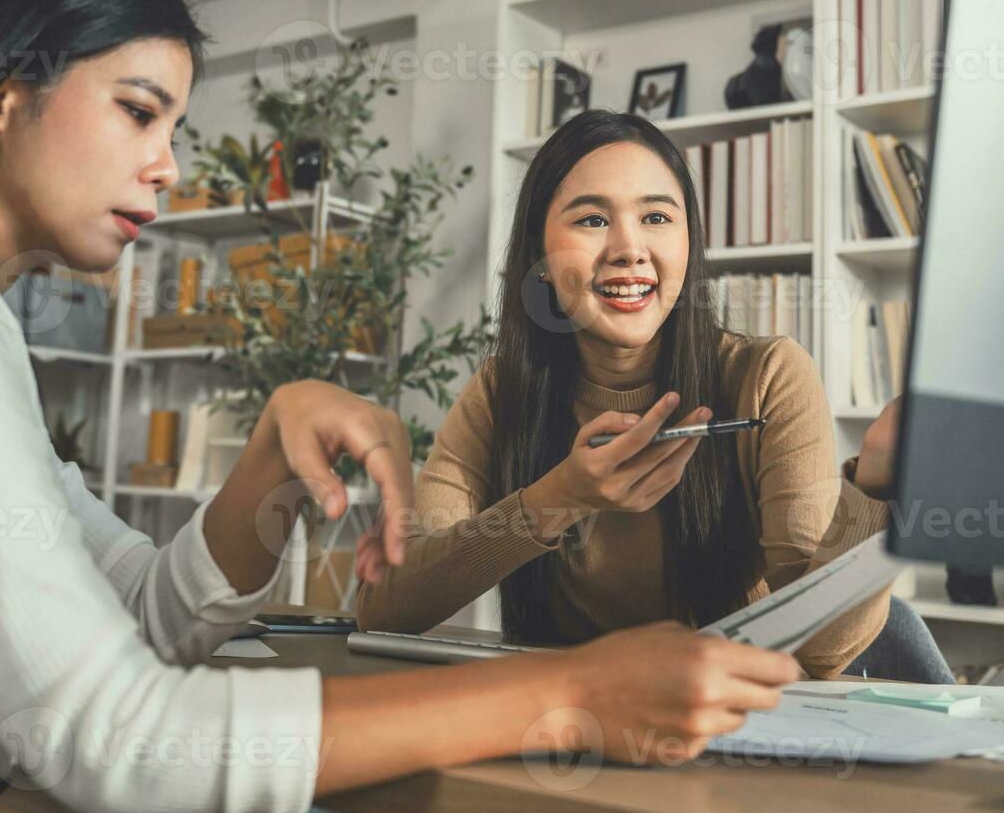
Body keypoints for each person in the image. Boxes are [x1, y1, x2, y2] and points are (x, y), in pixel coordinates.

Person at [0, 0, 800, 813]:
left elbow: (139, 617)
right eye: (139, 112)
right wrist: (573, 692)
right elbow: (115, 736)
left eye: (176, 127)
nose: (167, 167)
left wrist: (257, 476)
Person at [356, 109, 895, 678]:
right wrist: (557, 498)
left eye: (657, 216)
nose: (629, 249)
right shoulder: (500, 392)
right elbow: (385, 608)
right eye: (591, 220)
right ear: (539, 256)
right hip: (567, 727)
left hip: (729, 729)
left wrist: (875, 488)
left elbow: (818, 652)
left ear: (690, 244)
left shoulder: (768, 376)